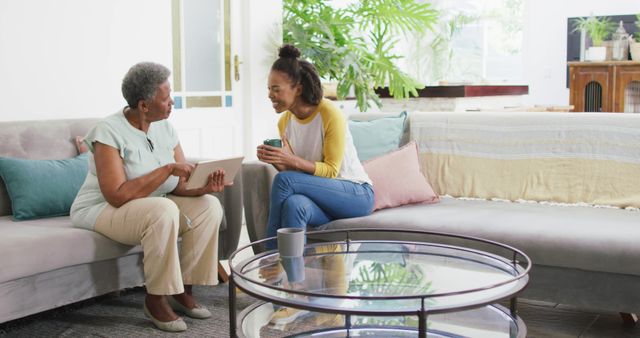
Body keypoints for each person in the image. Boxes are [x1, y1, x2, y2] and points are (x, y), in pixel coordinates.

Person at [70, 62, 227, 332]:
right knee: (162, 209)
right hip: (102, 208)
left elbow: (179, 186)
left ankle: (181, 290)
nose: (172, 103)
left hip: (153, 203)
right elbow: (117, 195)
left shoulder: (165, 127)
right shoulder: (107, 132)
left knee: (208, 206)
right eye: (166, 98)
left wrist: (204, 187)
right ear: (144, 105)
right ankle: (155, 299)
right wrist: (166, 169)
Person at [256, 44, 374, 250]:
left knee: (283, 181)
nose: (270, 95)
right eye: (268, 89)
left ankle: (268, 258)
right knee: (295, 205)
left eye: (276, 89)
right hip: (322, 199)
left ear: (298, 89)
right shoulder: (284, 122)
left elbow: (331, 170)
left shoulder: (329, 113)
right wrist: (278, 160)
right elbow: (296, 175)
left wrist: (289, 160)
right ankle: (294, 278)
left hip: (355, 194)